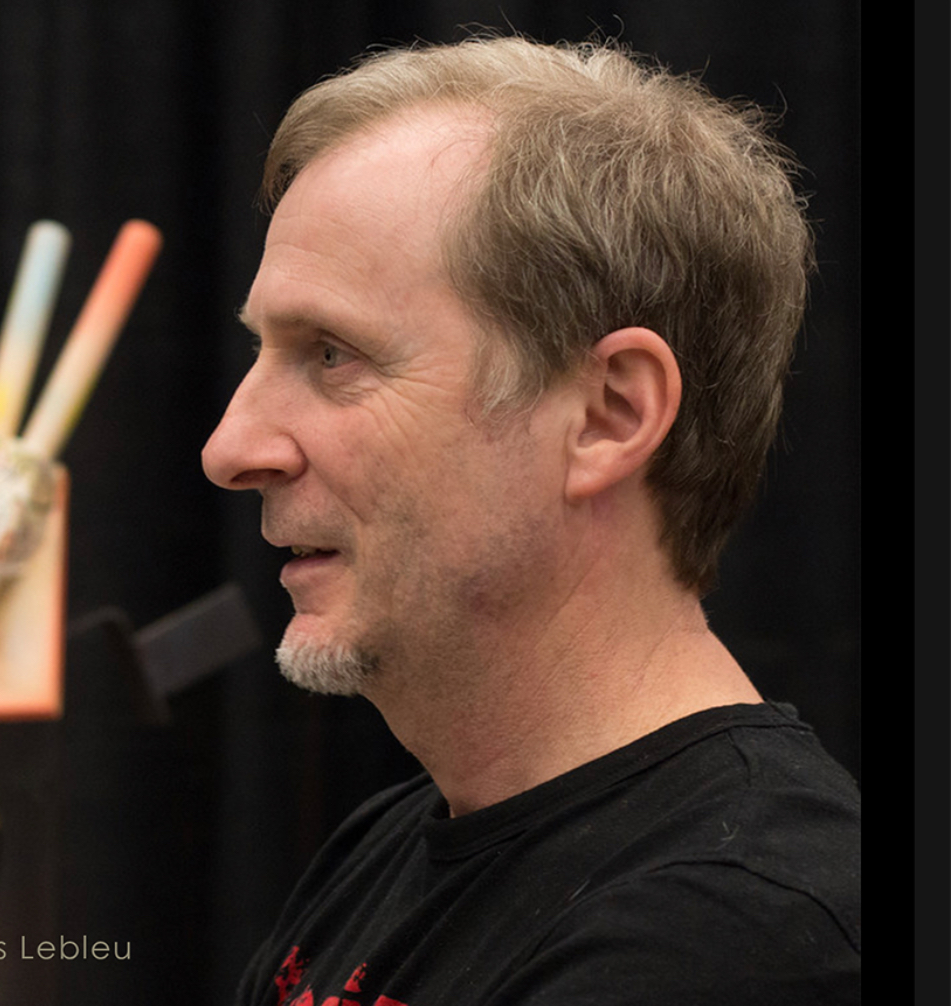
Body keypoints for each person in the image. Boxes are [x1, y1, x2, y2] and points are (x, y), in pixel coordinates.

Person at [201, 33, 860, 1005]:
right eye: (263, 350)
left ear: (609, 415)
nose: (230, 448)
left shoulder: (739, 934)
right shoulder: (385, 848)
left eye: (332, 354)